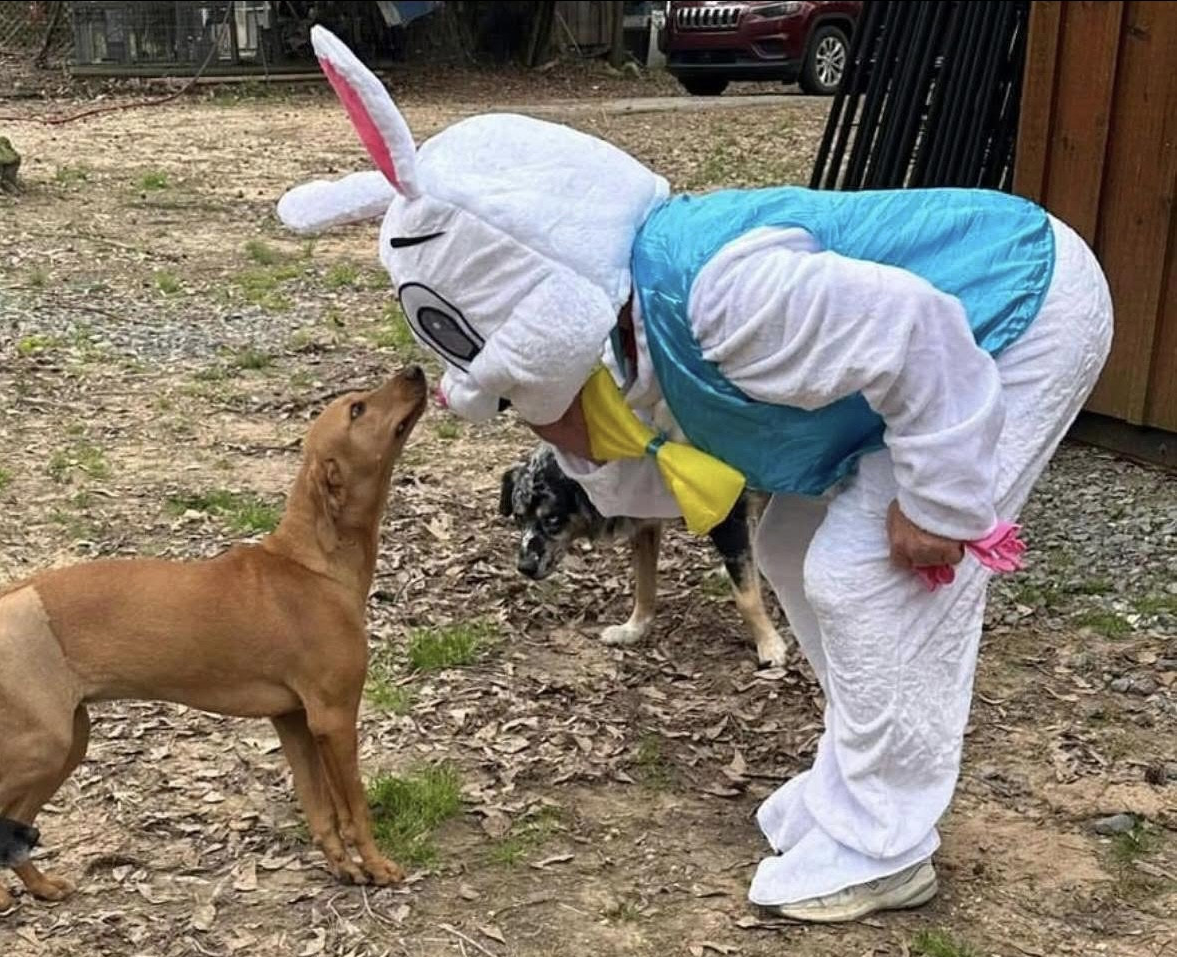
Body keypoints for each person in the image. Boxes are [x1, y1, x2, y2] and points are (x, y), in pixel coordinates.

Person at [278, 27, 1113, 923]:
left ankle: (886, 843)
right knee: (789, 545)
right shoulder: (635, 333)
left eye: (517, 397)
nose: (533, 425)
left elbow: (919, 331)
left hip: (1016, 314)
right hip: (933, 353)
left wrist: (941, 499)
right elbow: (660, 476)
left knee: (867, 573)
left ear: (557, 337)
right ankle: (855, 781)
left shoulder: (724, 299)